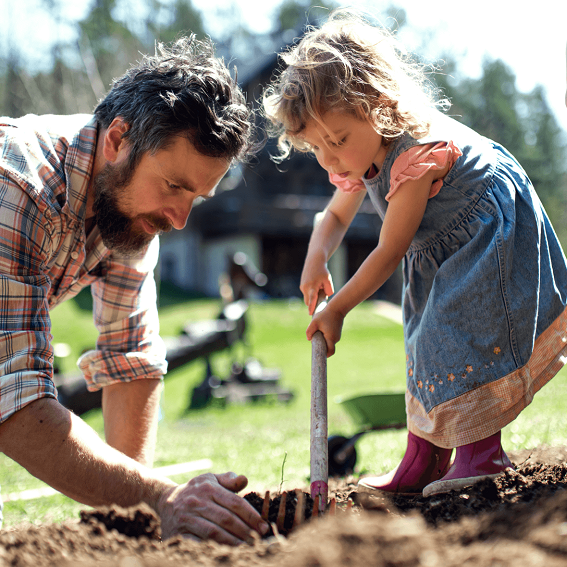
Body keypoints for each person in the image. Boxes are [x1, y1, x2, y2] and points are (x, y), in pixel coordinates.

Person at [262, 9, 567, 498]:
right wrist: (316, 258)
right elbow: (334, 217)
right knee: (425, 346)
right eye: (318, 147)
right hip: (441, 246)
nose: (331, 159)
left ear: (378, 105)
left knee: (463, 336)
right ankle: (424, 458)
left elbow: (389, 250)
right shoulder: (359, 154)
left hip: (485, 232)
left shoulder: (414, 156)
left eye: (338, 140)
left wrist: (338, 307)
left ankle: (480, 453)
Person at [0, 35, 269, 543]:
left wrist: (139, 524)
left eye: (196, 196)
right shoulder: (17, 186)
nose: (180, 219)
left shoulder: (129, 209)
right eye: (173, 186)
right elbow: (14, 401)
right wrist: (161, 499)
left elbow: (129, 359)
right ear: (117, 140)